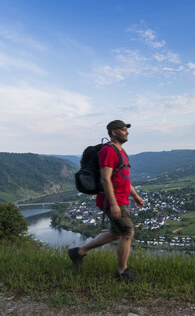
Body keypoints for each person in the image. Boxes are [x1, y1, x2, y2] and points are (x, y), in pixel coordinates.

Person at [68, 120, 144, 282]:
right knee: (127, 233)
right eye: (123, 130)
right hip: (114, 200)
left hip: (121, 199)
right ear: (113, 132)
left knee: (116, 233)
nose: (127, 132)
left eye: (126, 130)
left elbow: (124, 177)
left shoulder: (121, 152)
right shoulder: (108, 151)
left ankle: (78, 252)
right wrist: (114, 204)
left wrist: (135, 196)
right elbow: (105, 179)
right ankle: (122, 272)